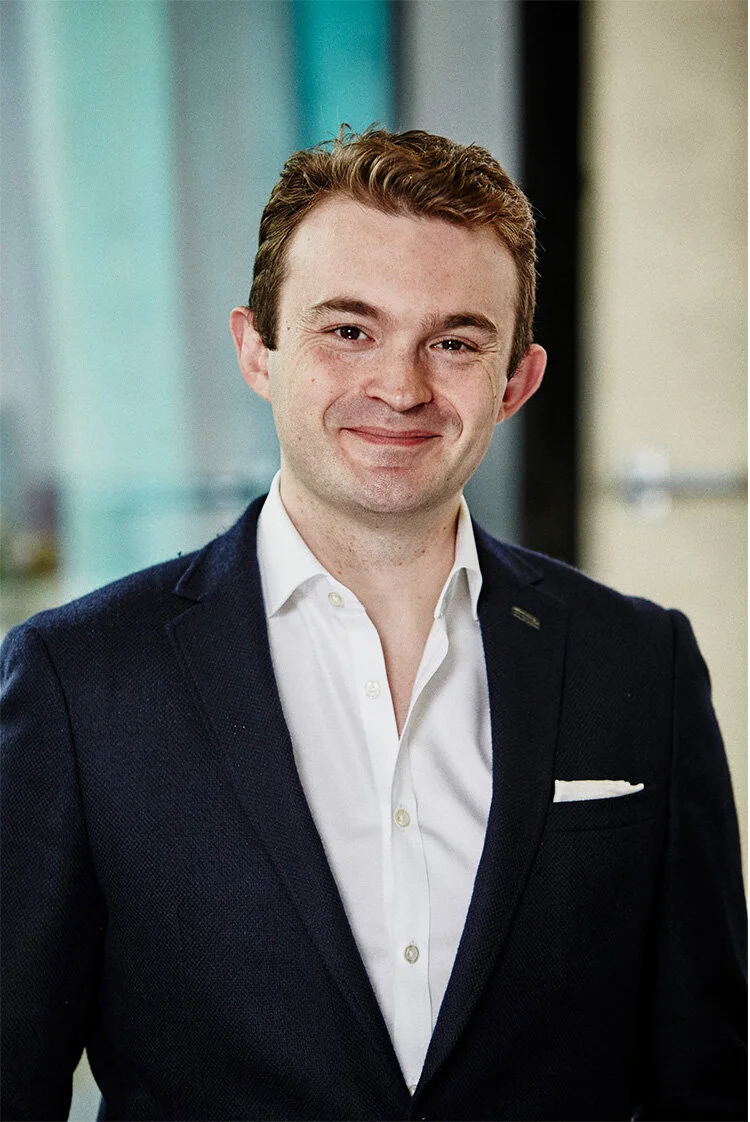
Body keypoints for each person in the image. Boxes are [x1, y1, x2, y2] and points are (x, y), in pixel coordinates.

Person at [1, 126, 745, 1122]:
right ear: (257, 350)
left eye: (454, 342)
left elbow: (708, 1082)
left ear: (517, 381)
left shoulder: (638, 664)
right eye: (348, 330)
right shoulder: (79, 680)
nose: (400, 388)